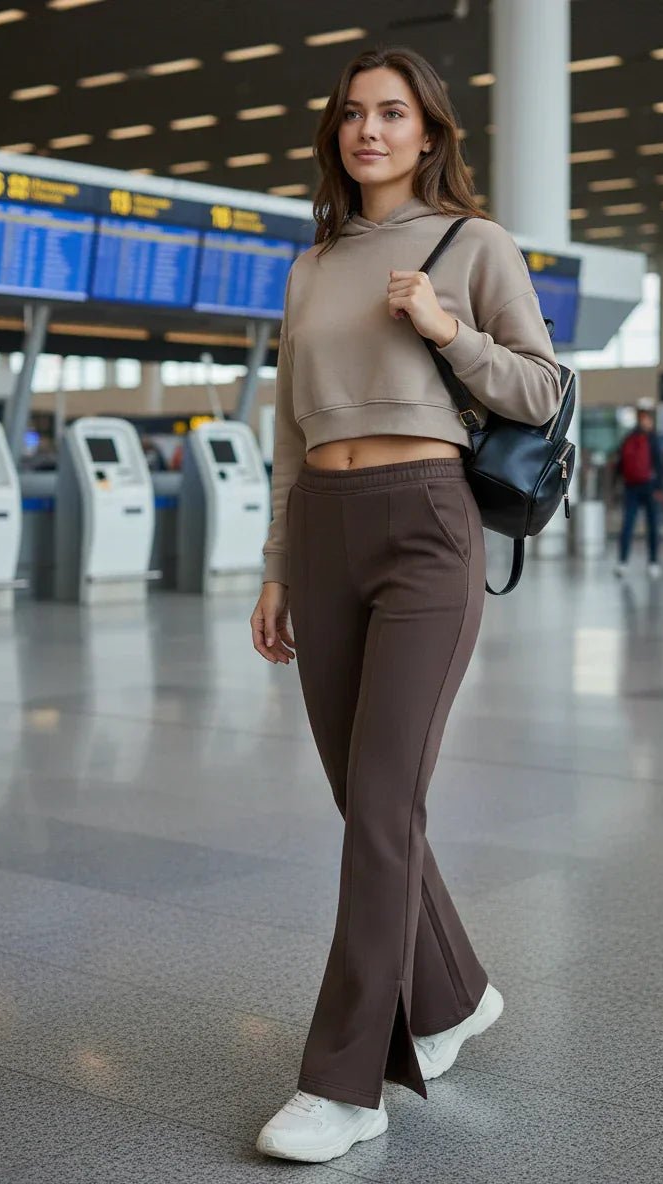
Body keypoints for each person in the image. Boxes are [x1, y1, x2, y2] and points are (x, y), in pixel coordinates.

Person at [249, 45, 561, 1164]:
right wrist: (280, 564)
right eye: (351, 115)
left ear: (430, 133)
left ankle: (347, 1083)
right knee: (363, 800)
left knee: (384, 801)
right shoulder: (314, 263)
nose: (367, 130)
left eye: (391, 113)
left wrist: (444, 326)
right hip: (326, 533)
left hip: (428, 520)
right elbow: (291, 429)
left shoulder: (472, 244)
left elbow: (542, 386)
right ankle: (454, 989)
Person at [614, 405, 663, 579]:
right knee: (652, 526)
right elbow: (659, 464)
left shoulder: (628, 437)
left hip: (631, 487)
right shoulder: (652, 438)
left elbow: (620, 464)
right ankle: (653, 562)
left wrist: (617, 483)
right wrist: (660, 488)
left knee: (628, 525)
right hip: (649, 487)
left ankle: (622, 562)